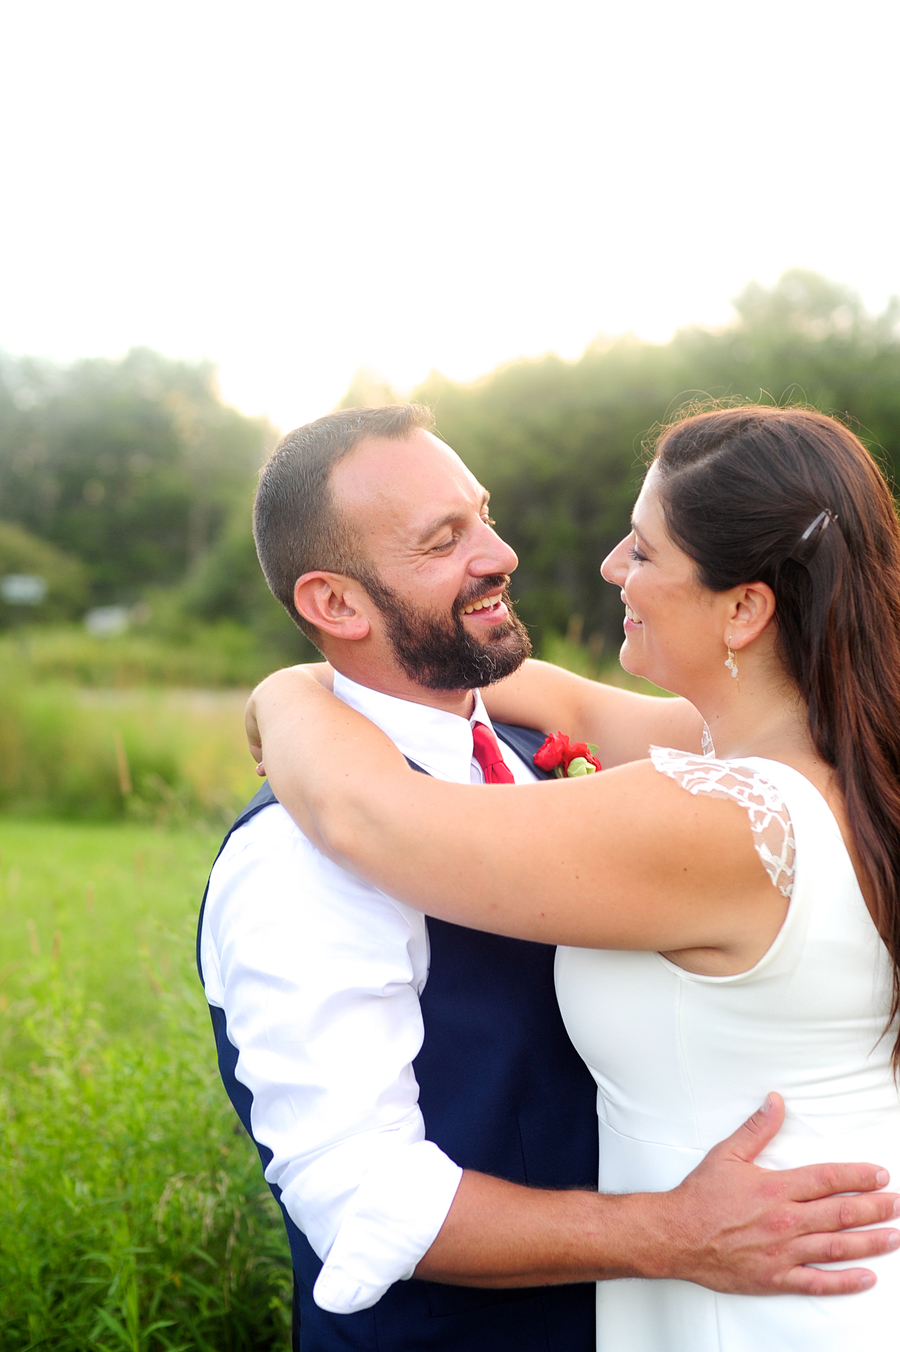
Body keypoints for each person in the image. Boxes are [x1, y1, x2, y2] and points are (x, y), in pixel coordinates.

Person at [245, 403, 900, 1351]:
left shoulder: (718, 817)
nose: (610, 568)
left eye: (643, 553)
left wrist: (289, 691)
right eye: (450, 530)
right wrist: (377, 656)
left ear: (746, 608)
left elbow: (367, 818)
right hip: (836, 1252)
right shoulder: (840, 744)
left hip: (762, 1289)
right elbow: (555, 694)